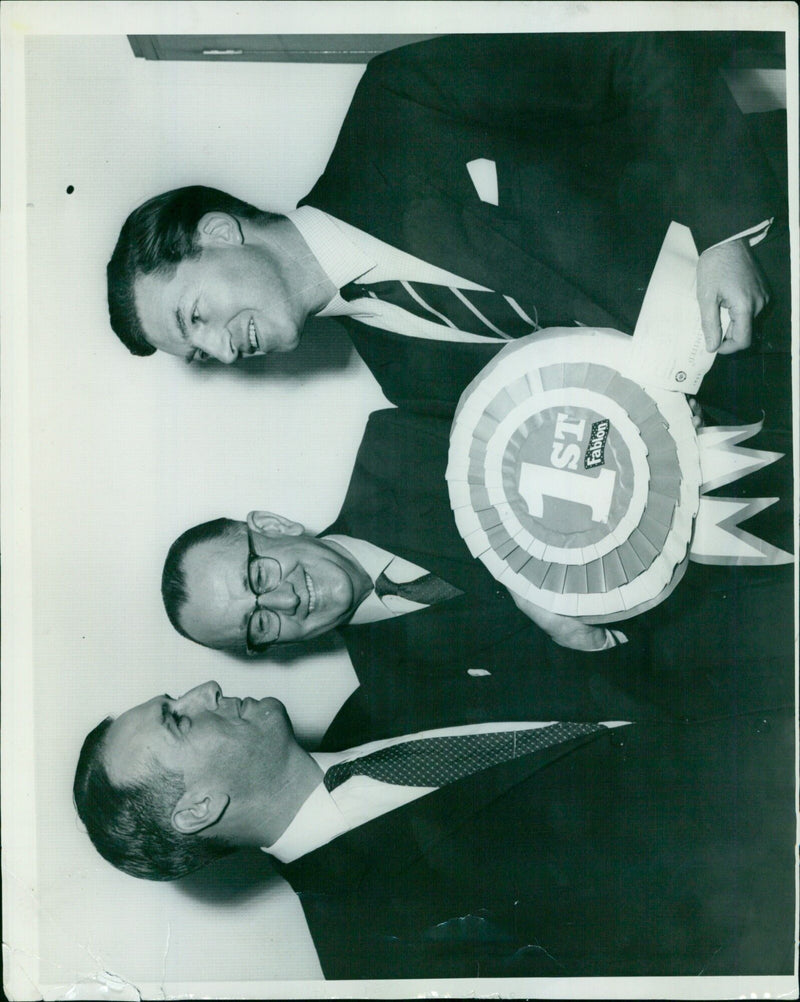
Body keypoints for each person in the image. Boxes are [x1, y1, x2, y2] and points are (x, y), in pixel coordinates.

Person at [106, 33, 786, 414]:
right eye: (200, 355)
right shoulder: (408, 380)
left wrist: (724, 233)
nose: (224, 353)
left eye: (195, 317)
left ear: (220, 233)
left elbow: (635, 46)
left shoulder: (398, 104)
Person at [73, 679, 796, 979]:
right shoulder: (375, 950)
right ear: (197, 809)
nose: (204, 690)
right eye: (179, 718)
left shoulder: (383, 691)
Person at [160, 408, 793, 746]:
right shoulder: (401, 697)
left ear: (271, 524)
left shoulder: (397, 444)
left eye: (258, 572)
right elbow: (614, 712)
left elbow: (593, 417)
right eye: (259, 622)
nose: (284, 597)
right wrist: (591, 649)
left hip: (753, 497)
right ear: (272, 648)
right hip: (747, 653)